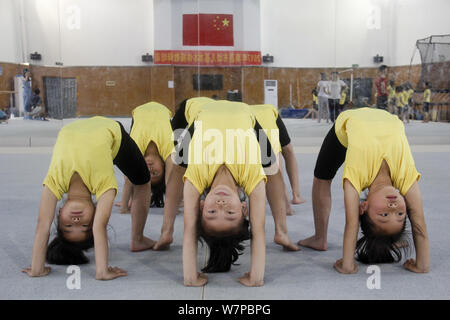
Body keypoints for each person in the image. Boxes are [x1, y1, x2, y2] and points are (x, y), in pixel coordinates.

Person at [298, 108, 429, 274]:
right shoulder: (406, 175)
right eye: (400, 214)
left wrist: (347, 264)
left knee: (322, 178)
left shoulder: (357, 176)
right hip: (385, 115)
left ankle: (319, 238)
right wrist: (421, 265)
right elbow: (419, 219)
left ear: (363, 207)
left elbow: (352, 222)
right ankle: (385, 240)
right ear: (406, 207)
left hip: (348, 124)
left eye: (384, 215)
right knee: (322, 176)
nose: (392, 206)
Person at [22, 117, 154, 280]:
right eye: (84, 225)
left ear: (60, 212)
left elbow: (42, 224)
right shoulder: (104, 185)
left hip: (73, 126)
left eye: (68, 225)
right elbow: (100, 225)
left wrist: (37, 269)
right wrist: (102, 271)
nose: (76, 220)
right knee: (142, 180)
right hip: (113, 135)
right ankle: (137, 239)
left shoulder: (55, 182)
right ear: (95, 213)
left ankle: (138, 239)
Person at [179, 99, 273, 287]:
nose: (221, 206)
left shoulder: (196, 176)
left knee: (178, 160)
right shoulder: (252, 176)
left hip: (201, 111)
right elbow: (259, 230)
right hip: (245, 112)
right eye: (230, 213)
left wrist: (190, 278)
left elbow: (189, 229)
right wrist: (256, 278)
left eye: (212, 212)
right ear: (244, 208)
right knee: (272, 165)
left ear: (202, 205)